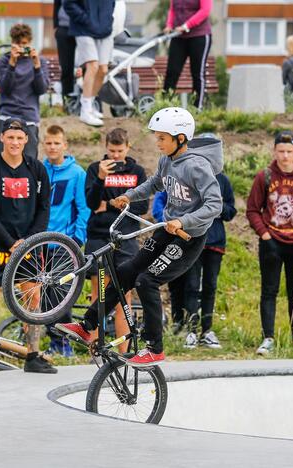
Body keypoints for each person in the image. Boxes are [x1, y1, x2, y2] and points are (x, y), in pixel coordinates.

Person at [58, 107, 222, 367]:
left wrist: (183, 220)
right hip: (166, 229)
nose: (157, 143)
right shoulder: (167, 160)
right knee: (126, 272)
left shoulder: (197, 166)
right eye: (156, 137)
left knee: (147, 280)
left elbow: (215, 205)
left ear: (180, 138)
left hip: (187, 238)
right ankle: (87, 325)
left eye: (162, 138)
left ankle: (155, 347)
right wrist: (129, 196)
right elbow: (155, 184)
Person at [0, 119, 54, 374]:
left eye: (20, 138)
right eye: (10, 137)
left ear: (26, 140)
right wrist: (10, 242)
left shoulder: (37, 169)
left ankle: (33, 355)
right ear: (2, 138)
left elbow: (44, 208)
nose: (15, 142)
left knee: (33, 297)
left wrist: (29, 241)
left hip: (29, 246)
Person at [246, 131, 293, 356]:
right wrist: (264, 234)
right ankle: (267, 338)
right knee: (269, 290)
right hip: (272, 243)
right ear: (274, 151)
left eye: (289, 151)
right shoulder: (265, 176)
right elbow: (253, 209)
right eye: (281, 151)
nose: (285, 156)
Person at [157, 135, 237, 349]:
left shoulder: (222, 180)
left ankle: (207, 330)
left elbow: (230, 210)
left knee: (210, 286)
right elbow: (171, 200)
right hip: (191, 239)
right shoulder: (185, 172)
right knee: (191, 285)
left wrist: (213, 210)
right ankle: (191, 330)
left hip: (215, 241)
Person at [84, 127, 148, 354]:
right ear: (105, 147)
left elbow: (141, 206)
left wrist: (110, 204)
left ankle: (124, 351)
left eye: (119, 151)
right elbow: (92, 204)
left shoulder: (138, 172)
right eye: (111, 151)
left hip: (127, 237)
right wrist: (101, 179)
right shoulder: (94, 169)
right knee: (98, 294)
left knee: (124, 295)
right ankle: (94, 350)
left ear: (128, 147)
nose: (115, 156)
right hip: (99, 236)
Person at [41, 125, 91, 356]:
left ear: (65, 145)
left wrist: (77, 238)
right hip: (39, 243)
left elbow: (83, 208)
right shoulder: (39, 169)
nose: (52, 147)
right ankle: (52, 340)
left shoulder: (77, 173)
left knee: (62, 294)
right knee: (43, 294)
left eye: (56, 143)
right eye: (48, 143)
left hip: (64, 243)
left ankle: (64, 343)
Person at [0, 23, 49, 160]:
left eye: (24, 43)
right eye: (17, 43)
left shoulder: (39, 60)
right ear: (12, 43)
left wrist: (37, 66)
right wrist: (12, 64)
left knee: (29, 162)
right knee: (2, 161)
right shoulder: (4, 60)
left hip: (29, 117)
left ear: (30, 42)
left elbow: (41, 89)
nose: (21, 47)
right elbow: (4, 88)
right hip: (7, 115)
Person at [64, 0, 115, 126]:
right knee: (93, 66)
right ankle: (85, 111)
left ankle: (90, 105)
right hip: (83, 29)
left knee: (103, 70)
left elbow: (112, 4)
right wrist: (86, 19)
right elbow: (68, 4)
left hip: (105, 30)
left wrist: (107, 20)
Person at [162, 0, 213, 110]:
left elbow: (205, 11)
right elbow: (172, 10)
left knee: (197, 73)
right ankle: (164, 106)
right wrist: (169, 25)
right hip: (178, 37)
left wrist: (186, 26)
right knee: (172, 72)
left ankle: (197, 108)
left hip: (199, 36)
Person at [53, 0, 76, 102]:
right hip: (64, 29)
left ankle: (90, 100)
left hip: (84, 28)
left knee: (89, 65)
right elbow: (57, 4)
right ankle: (67, 99)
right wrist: (56, 26)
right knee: (66, 67)